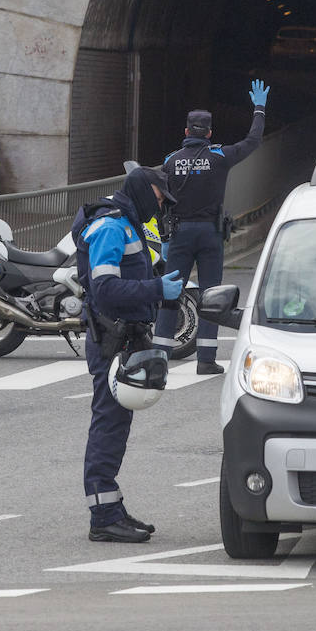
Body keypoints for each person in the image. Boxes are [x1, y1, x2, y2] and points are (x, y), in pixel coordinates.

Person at [71, 166, 183, 543]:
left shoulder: (130, 223)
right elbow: (105, 290)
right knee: (109, 423)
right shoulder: (110, 227)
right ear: (142, 189)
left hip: (125, 338)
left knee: (117, 425)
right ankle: (102, 517)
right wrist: (156, 289)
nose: (160, 204)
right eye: (159, 196)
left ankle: (111, 508)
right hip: (111, 341)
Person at [153, 78, 270, 374]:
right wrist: (259, 109)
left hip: (178, 234)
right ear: (209, 133)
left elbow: (159, 198)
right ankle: (205, 359)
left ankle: (161, 356)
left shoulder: (170, 161)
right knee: (211, 294)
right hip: (209, 234)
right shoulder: (219, 156)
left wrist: (164, 234)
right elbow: (253, 141)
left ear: (185, 132)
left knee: (171, 292)